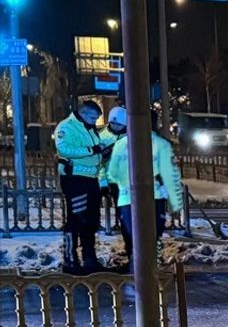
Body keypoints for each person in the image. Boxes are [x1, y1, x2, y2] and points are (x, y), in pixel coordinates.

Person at [106, 110, 184, 272]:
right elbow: (171, 176)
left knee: (133, 235)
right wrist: (176, 205)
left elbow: (112, 174)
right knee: (152, 235)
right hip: (155, 198)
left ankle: (136, 265)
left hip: (127, 199)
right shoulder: (161, 144)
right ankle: (149, 267)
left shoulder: (121, 144)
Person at [54, 100, 108, 272]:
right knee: (76, 218)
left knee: (90, 220)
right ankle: (70, 259)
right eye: (93, 117)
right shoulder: (67, 127)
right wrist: (93, 150)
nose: (95, 121)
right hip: (75, 179)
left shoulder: (89, 128)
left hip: (90, 179)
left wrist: (101, 153)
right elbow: (64, 150)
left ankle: (89, 258)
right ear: (83, 113)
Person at [101, 107, 128, 233]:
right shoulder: (102, 137)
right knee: (122, 212)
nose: (115, 126)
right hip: (114, 181)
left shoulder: (133, 136)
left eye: (119, 124)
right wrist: (103, 183)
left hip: (131, 180)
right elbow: (98, 163)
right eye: (113, 123)